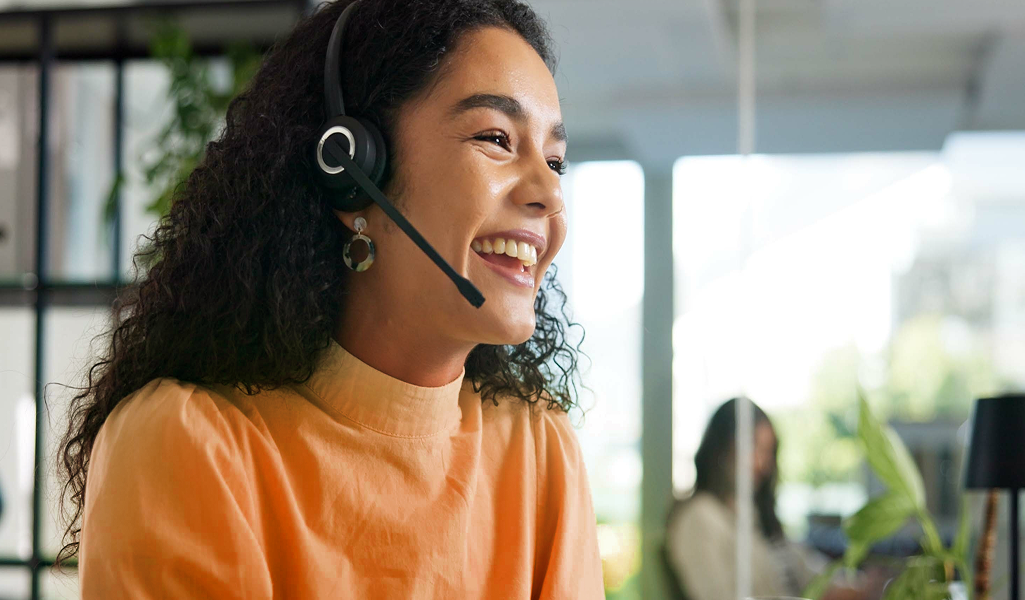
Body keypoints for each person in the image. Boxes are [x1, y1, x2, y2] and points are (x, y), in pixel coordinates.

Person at [56, 0, 602, 598]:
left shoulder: (539, 448)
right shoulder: (191, 444)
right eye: (496, 138)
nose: (551, 194)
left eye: (555, 161)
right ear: (350, 170)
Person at [666, 398, 867, 600]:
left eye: (767, 452)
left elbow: (811, 573)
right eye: (753, 447)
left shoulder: (756, 517)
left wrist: (863, 586)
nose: (762, 463)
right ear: (722, 446)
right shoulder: (699, 518)